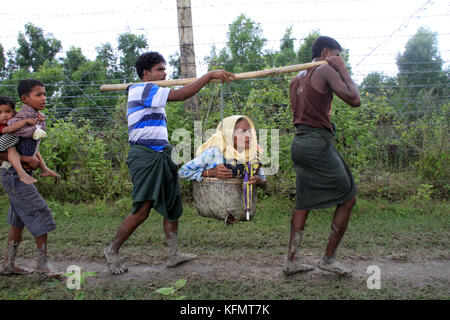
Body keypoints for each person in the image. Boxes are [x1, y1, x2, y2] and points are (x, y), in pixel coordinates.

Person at [104, 51, 236, 275]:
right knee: (142, 209)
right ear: (146, 74)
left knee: (172, 206)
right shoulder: (143, 89)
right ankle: (112, 250)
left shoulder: (152, 91)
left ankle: (174, 255)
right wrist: (209, 75)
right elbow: (182, 95)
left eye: (165, 68)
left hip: (162, 153)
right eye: (160, 69)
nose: (165, 73)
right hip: (145, 156)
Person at [284, 36, 361, 276]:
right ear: (327, 52)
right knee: (348, 197)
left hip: (299, 143)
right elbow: (354, 99)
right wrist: (343, 70)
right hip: (317, 144)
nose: (341, 58)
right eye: (339, 54)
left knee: (303, 203)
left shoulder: (297, 77)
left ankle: (292, 260)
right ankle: (328, 259)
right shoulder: (326, 70)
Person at [0, 79, 60, 276]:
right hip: (14, 174)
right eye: (38, 95)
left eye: (44, 94)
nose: (43, 98)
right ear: (25, 99)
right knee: (39, 211)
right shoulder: (19, 119)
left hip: (16, 173)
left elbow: (32, 147)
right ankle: (42, 265)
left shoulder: (33, 116)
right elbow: (8, 146)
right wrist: (27, 160)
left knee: (18, 219)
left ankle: (8, 264)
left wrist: (42, 166)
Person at [179, 115, 267, 223]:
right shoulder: (215, 153)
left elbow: (265, 183)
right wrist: (211, 172)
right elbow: (182, 172)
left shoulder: (253, 156)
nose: (248, 135)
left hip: (241, 208)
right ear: (229, 134)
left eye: (250, 131)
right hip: (215, 205)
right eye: (243, 131)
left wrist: (258, 180)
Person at [0, 96, 42, 185]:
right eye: (0, 113)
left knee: (28, 142)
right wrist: (25, 121)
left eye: (8, 111)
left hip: (12, 148)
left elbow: (26, 116)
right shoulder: (3, 126)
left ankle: (35, 168)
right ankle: (21, 173)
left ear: (14, 112)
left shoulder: (15, 119)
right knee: (11, 148)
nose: (4, 115)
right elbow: (9, 130)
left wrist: (38, 118)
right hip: (3, 148)